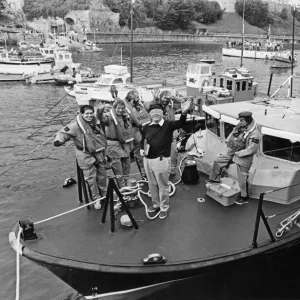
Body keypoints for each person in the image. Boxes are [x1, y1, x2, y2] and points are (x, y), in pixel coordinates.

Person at [140, 100, 191, 219]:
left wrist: (184, 112)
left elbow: (182, 122)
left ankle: (164, 207)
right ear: (150, 114)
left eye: (158, 112)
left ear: (162, 113)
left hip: (161, 160)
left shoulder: (168, 125)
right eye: (153, 112)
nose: (155, 114)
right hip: (147, 160)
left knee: (163, 185)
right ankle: (156, 204)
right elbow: (143, 140)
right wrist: (141, 149)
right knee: (152, 184)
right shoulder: (146, 127)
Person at [53, 105, 108, 210]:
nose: (89, 115)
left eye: (91, 113)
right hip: (85, 154)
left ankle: (104, 193)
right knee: (91, 179)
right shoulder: (75, 126)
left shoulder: (95, 123)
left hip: (98, 152)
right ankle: (96, 198)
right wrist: (59, 141)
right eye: (87, 113)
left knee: (102, 175)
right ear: (82, 114)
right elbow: (63, 132)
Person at [207, 111, 260, 205]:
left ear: (247, 120)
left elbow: (251, 150)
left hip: (244, 157)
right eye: (239, 120)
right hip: (233, 150)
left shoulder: (255, 134)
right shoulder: (241, 125)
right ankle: (214, 179)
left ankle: (244, 197)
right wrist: (229, 143)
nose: (240, 122)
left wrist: (238, 154)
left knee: (242, 179)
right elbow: (233, 133)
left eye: (242, 120)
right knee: (218, 161)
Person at [97, 99, 133, 188]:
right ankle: (122, 189)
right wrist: (100, 110)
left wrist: (131, 144)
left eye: (122, 108)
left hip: (125, 145)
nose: (120, 110)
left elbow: (129, 131)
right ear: (114, 107)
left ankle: (127, 187)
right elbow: (100, 117)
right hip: (113, 146)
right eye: (118, 108)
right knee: (118, 171)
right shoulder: (109, 117)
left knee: (126, 167)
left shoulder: (125, 117)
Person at [124, 90, 151, 178]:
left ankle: (146, 170)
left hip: (142, 129)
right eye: (137, 97)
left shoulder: (139, 106)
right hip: (133, 130)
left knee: (144, 149)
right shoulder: (126, 108)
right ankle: (143, 171)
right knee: (139, 150)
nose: (138, 99)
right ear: (132, 99)